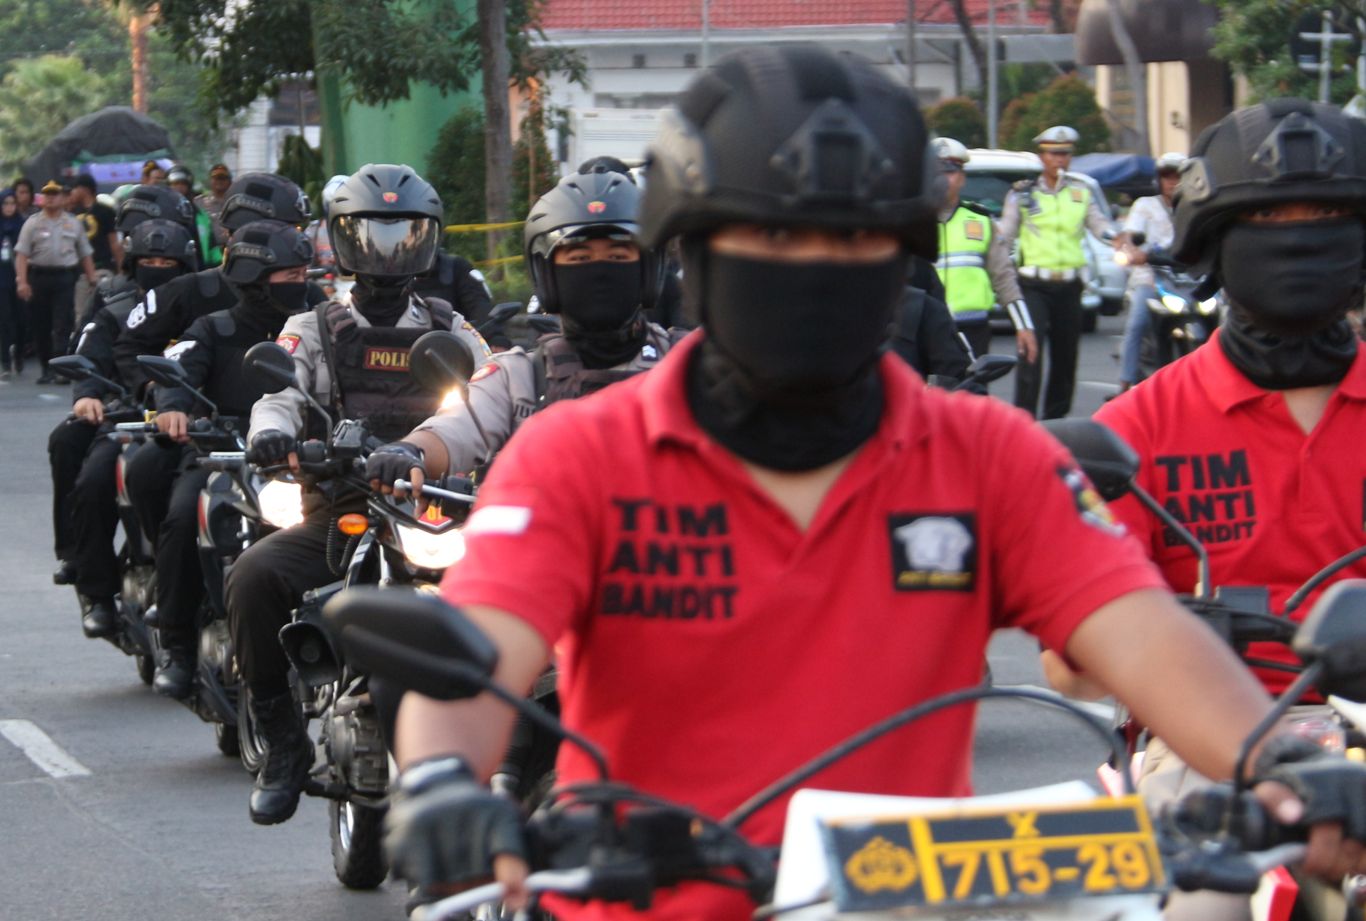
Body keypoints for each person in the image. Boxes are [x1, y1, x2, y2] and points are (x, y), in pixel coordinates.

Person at [382, 47, 1366, 919]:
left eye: (854, 241)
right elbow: (476, 656)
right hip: (645, 897)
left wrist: (1280, 762)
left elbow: (1139, 633)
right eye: (776, 239)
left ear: (901, 257)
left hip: (915, 897)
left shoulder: (992, 457)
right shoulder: (578, 459)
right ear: (693, 252)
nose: (816, 267)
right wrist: (438, 781)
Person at [1042, 98, 1366, 921]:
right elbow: (1066, 663)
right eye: (1267, 216)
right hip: (1206, 750)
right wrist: (1158, 633)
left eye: (1326, 215)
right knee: (1201, 909)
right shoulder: (1137, 426)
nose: (1298, 234)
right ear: (1217, 240)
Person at [224, 164, 490, 826]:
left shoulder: (452, 325)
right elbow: (279, 394)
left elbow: (492, 397)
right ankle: (283, 742)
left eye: (403, 234)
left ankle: (515, 752)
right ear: (342, 240)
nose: (387, 249)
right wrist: (273, 435)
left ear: (426, 241)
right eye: (371, 234)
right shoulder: (313, 324)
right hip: (342, 509)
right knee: (252, 574)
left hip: (435, 510)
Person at [367, 166, 677, 491]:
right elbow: (457, 426)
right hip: (551, 539)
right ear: (547, 275)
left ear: (648, 268)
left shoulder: (686, 363)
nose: (599, 272)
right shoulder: (519, 378)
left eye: (617, 255)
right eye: (579, 257)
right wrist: (409, 450)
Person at [123, 221, 315, 695]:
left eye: (304, 274)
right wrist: (171, 408)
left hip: (306, 462)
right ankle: (178, 644)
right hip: (224, 455)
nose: (302, 285)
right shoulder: (214, 327)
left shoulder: (321, 325)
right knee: (184, 515)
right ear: (253, 277)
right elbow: (177, 368)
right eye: (289, 276)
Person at [49, 218, 199, 637]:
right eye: (149, 260)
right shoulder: (115, 309)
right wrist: (87, 394)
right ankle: (95, 588)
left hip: (198, 423)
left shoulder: (205, 313)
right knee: (95, 477)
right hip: (128, 418)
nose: (157, 267)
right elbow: (90, 355)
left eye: (167, 261)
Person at [111, 172, 322, 404]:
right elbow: (131, 348)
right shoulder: (189, 291)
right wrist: (164, 394)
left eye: (296, 231)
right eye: (285, 229)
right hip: (206, 429)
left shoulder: (309, 297)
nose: (292, 240)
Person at [998, 126, 1113, 418]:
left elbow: (1099, 225)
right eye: (1054, 154)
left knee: (1066, 359)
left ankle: (1056, 423)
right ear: (1042, 157)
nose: (1060, 160)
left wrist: (1120, 238)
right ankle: (1024, 422)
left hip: (1069, 286)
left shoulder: (1080, 192)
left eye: (1065, 154)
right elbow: (1005, 235)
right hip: (1034, 285)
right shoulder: (1023, 194)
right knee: (1031, 355)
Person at [932, 138, 1037, 367]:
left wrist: (1024, 326)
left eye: (949, 173)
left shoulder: (980, 221)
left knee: (973, 395)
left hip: (973, 328)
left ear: (961, 178)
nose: (942, 181)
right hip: (927, 329)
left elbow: (1004, 277)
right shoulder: (912, 221)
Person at [1113, 152, 1184, 392]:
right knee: (1136, 324)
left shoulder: (1195, 206)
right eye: (1167, 177)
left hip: (1189, 282)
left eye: (1178, 177)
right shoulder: (1145, 206)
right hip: (1152, 279)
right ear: (1159, 180)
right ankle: (1124, 384)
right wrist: (1131, 250)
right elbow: (1130, 234)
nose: (1173, 182)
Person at [15, 180, 99, 383]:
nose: (51, 197)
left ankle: (61, 369)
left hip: (64, 278)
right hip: (39, 277)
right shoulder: (33, 223)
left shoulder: (72, 222)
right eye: (47, 194)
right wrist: (22, 281)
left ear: (63, 198)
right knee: (41, 325)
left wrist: (92, 277)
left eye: (55, 194)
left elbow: (85, 253)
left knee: (63, 324)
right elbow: (22, 255)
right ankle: (47, 368)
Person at [67, 173, 123, 330]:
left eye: (74, 189)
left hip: (103, 268)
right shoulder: (71, 214)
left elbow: (115, 244)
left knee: (104, 310)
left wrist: (120, 271)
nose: (72, 192)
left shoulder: (105, 212)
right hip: (79, 274)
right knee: (80, 314)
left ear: (84, 189)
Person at [411, 250, 494, 326]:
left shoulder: (457, 268)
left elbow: (484, 316)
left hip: (452, 339)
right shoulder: (398, 279)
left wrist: (494, 338)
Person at [168, 164, 221, 267]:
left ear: (189, 186)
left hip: (198, 270)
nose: (179, 187)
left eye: (183, 184)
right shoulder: (162, 212)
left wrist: (219, 265)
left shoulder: (201, 216)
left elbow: (212, 247)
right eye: (175, 184)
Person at [0, 191, 26, 380]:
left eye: (12, 203)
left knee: (21, 320)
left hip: (20, 278)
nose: (9, 207)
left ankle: (19, 356)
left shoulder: (22, 225)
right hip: (1, 279)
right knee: (4, 320)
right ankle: (5, 362)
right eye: (5, 203)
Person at [196, 163, 232, 248]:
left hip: (230, 248)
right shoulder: (199, 202)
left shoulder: (235, 202)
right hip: (208, 250)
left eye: (223, 178)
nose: (219, 181)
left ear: (229, 181)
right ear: (210, 180)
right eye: (216, 178)